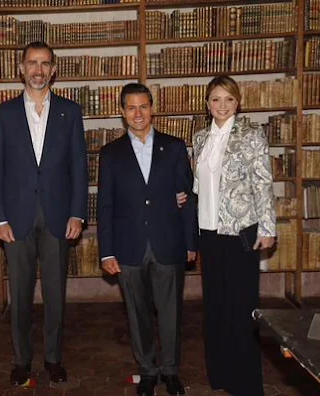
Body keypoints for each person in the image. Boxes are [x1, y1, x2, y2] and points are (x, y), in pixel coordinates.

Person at [0, 41, 88, 387]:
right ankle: (21, 360)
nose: (38, 70)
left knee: (56, 294)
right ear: (21, 68)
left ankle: (54, 359)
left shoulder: (70, 112)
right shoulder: (4, 114)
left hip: (59, 216)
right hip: (16, 219)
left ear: (54, 69)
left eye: (45, 64)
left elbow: (79, 166)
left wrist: (78, 212)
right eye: (32, 63)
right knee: (20, 294)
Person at [97, 83, 198, 396]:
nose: (138, 114)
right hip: (128, 247)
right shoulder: (110, 154)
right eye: (131, 107)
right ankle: (148, 371)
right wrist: (106, 252)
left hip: (168, 242)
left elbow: (188, 197)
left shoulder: (175, 147)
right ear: (123, 112)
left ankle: (171, 371)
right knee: (137, 314)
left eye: (143, 106)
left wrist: (191, 242)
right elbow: (105, 205)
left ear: (152, 108)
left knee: (170, 314)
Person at [192, 75, 276, 396]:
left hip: (240, 232)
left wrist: (267, 228)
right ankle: (221, 374)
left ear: (237, 103)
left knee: (242, 309)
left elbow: (262, 183)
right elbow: (200, 186)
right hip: (209, 233)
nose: (222, 106)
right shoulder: (200, 139)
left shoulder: (252, 136)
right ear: (208, 103)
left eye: (228, 99)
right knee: (215, 307)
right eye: (215, 99)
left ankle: (246, 382)